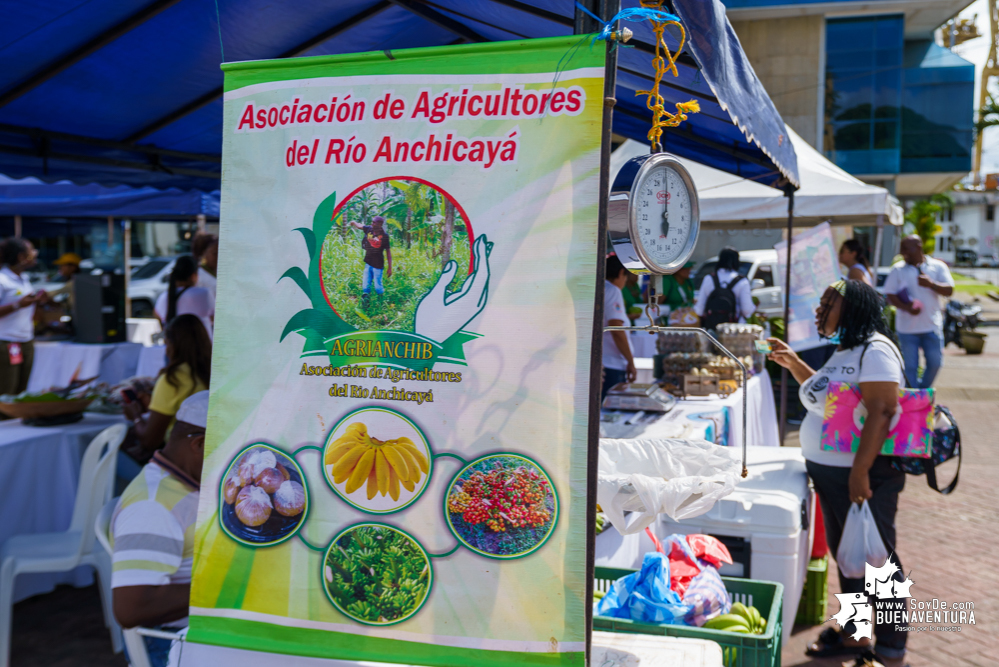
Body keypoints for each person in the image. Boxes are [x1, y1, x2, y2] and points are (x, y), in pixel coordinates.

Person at [767, 279, 908, 667]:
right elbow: (826, 402)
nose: (820, 309)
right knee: (848, 559)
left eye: (829, 304)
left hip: (863, 477)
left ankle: (893, 652)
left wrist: (860, 472)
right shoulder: (845, 349)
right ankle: (855, 634)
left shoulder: (876, 350)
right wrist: (794, 363)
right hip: (832, 475)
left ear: (855, 309)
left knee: (880, 565)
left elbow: (882, 410)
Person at [112, 390, 208, 667]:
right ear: (200, 444)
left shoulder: (187, 483)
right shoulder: (152, 507)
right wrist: (229, 585)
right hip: (172, 644)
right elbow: (132, 608)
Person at [123, 314, 211, 466]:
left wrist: (135, 415)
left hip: (178, 461)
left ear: (172, 344)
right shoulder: (212, 373)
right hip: (206, 455)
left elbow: (149, 441)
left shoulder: (173, 380)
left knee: (108, 452)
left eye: (166, 343)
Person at [883, 235, 954, 389]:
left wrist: (932, 284)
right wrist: (907, 307)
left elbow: (949, 290)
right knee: (910, 368)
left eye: (906, 248)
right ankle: (914, 398)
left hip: (931, 326)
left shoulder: (937, 266)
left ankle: (922, 391)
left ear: (919, 248)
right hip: (907, 329)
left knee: (935, 363)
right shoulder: (898, 269)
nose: (902, 252)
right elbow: (889, 294)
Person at [0, 238, 46, 396]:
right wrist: (18, 305)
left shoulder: (24, 278)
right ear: (21, 257)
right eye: (31, 250)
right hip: (6, 342)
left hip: (25, 340)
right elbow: (19, 304)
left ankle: (16, 419)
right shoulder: (2, 280)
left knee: (21, 391)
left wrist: (38, 302)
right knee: (7, 390)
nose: (35, 253)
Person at [154, 255, 214, 338]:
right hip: (202, 348)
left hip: (175, 348)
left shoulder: (163, 297)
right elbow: (214, 317)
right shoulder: (204, 294)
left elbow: (157, 315)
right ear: (193, 276)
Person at [694, 247, 754, 329]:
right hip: (734, 331)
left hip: (712, 330)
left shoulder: (709, 278)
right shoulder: (742, 281)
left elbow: (699, 310)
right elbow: (747, 311)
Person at [603, 254, 636, 399]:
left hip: (603, 362)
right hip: (612, 364)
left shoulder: (601, 288)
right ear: (621, 273)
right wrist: (630, 361)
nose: (625, 282)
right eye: (626, 277)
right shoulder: (612, 291)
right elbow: (616, 329)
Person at [347, 216, 392, 307]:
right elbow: (360, 226)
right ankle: (365, 305)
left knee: (378, 288)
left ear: (379, 224)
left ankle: (381, 304)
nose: (372, 223)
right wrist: (353, 222)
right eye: (372, 222)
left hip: (378, 266)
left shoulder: (385, 236)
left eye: (374, 222)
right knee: (365, 287)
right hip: (368, 263)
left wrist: (390, 267)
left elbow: (388, 252)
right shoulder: (369, 229)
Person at [191, 233, 218, 301]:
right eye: (215, 253)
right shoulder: (199, 276)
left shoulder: (218, 272)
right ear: (203, 253)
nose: (218, 257)